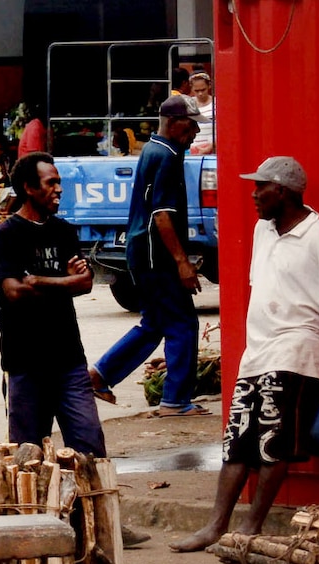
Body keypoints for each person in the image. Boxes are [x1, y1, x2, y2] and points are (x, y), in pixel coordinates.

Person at [170, 156, 319, 553]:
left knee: (272, 444)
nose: (253, 193)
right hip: (257, 352)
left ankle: (251, 526)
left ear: (284, 191)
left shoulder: (317, 235)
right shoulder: (264, 229)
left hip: (296, 352)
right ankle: (215, 526)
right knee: (237, 442)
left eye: (261, 186)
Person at [0, 152, 151, 548]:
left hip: (68, 359)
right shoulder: (7, 234)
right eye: (50, 183)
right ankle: (29, 531)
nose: (58, 188)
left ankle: (104, 522)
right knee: (28, 451)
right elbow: (11, 290)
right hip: (25, 360)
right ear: (29, 188)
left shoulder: (63, 230)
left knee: (89, 445)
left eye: (58, 181)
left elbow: (85, 284)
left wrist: (42, 282)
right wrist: (63, 279)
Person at [88, 95, 210, 416]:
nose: (196, 132)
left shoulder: (155, 150)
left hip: (142, 252)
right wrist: (182, 262)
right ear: (173, 122)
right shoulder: (167, 156)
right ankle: (175, 401)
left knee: (155, 323)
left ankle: (99, 375)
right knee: (183, 323)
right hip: (157, 257)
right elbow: (162, 215)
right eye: (192, 125)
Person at [188, 72, 215, 155]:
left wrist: (211, 147)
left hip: (212, 151)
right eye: (197, 91)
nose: (200, 94)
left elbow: (223, 131)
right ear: (191, 88)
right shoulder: (188, 104)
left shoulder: (217, 104)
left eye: (203, 90)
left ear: (209, 86)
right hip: (191, 151)